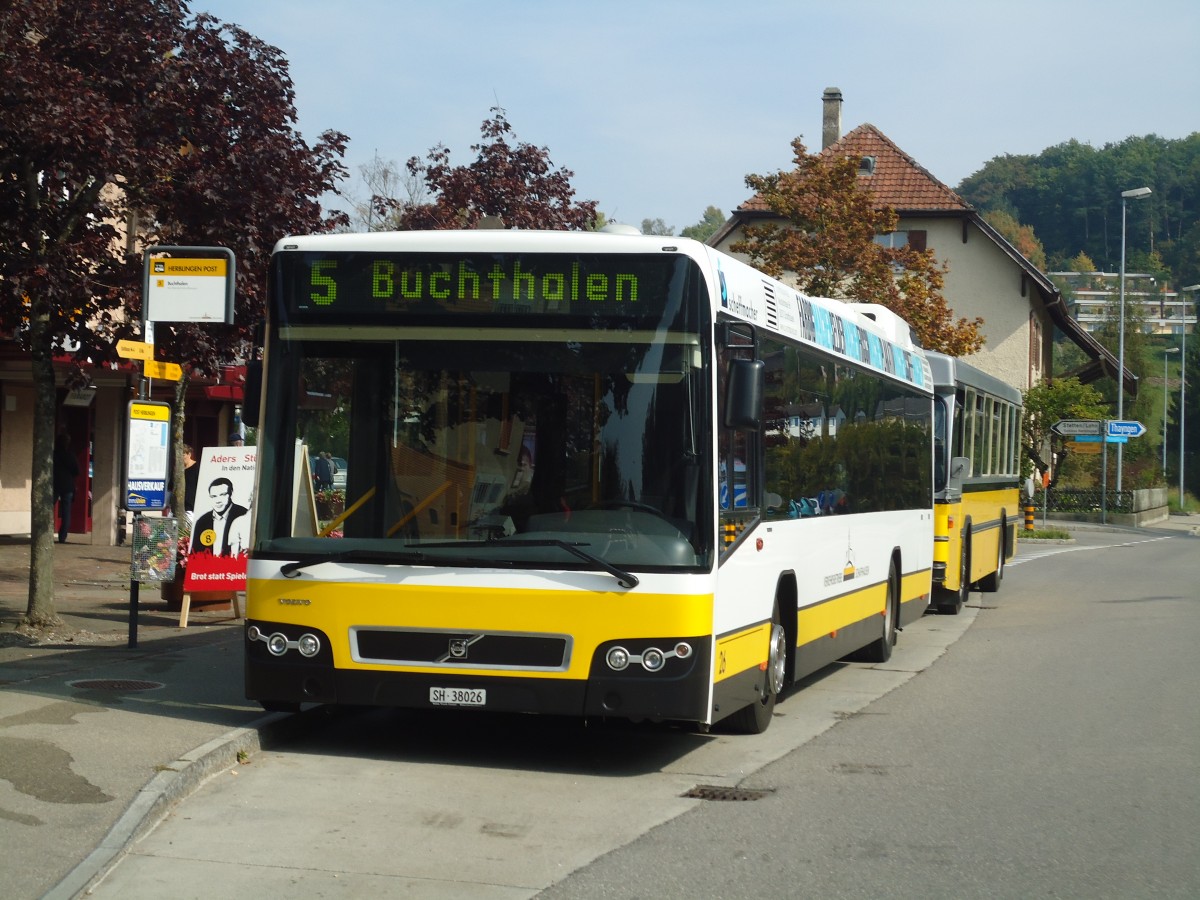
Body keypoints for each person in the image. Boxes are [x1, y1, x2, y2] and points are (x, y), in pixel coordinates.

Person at [192, 476, 250, 557]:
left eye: (222, 495)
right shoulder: (202, 522)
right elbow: (195, 554)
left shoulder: (243, 515)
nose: (218, 501)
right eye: (214, 496)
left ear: (231, 494)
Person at [52, 433, 80, 544]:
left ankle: (44, 532)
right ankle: (62, 537)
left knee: (47, 508)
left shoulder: (53, 455)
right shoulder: (70, 455)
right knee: (66, 511)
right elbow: (77, 471)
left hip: (54, 484)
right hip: (67, 485)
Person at [182, 444, 200, 523]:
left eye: (183, 455)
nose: (181, 458)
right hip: (178, 505)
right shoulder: (178, 469)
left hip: (191, 506)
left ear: (189, 454)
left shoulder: (197, 467)